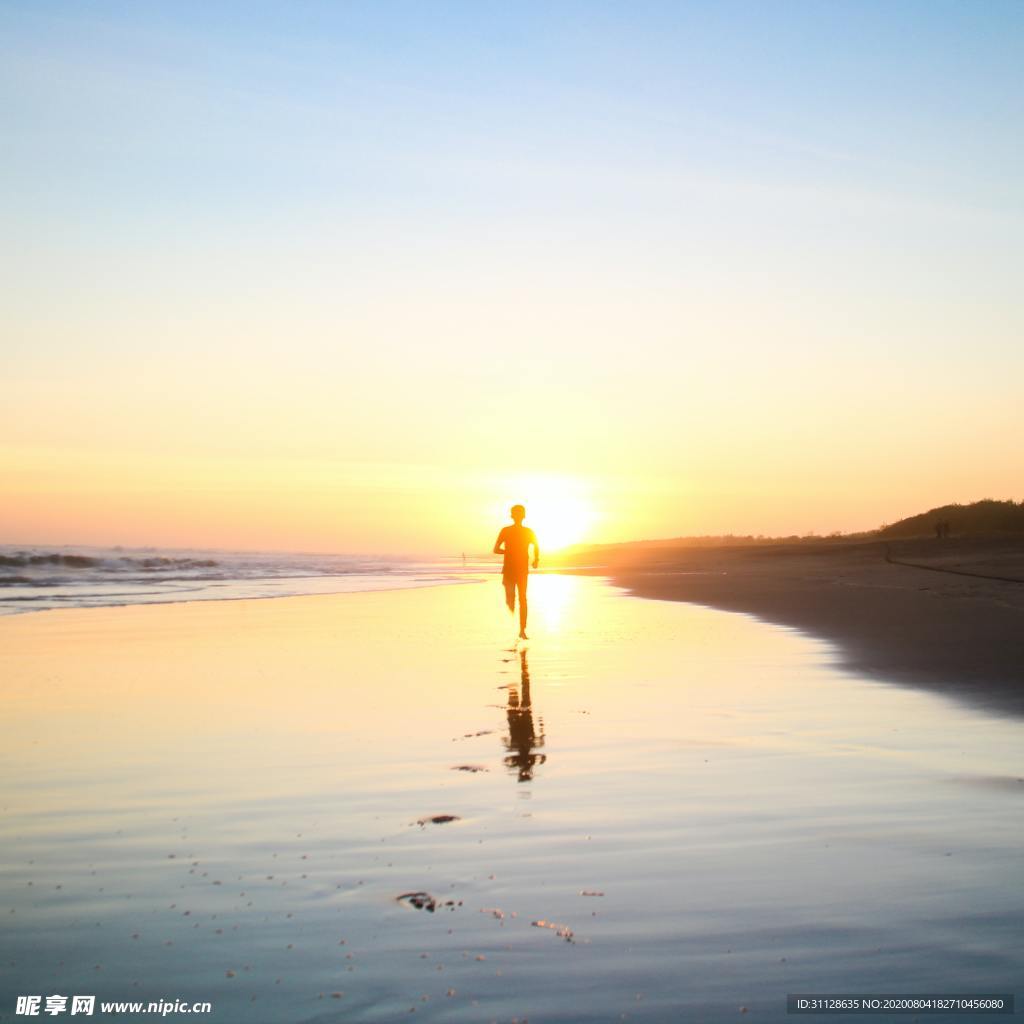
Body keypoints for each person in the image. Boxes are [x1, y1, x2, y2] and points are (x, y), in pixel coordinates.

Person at [493, 504, 539, 639]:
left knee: (522, 599)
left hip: (521, 570)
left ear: (522, 516)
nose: (518, 516)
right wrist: (509, 551)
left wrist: (536, 559)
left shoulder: (528, 531)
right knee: (512, 599)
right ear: (512, 516)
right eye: (516, 513)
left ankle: (522, 630)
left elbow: (536, 545)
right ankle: (515, 625)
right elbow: (495, 549)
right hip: (510, 569)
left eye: (520, 513)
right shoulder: (506, 531)